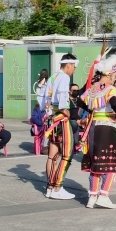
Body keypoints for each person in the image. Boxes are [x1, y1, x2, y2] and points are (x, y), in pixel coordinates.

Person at [79, 58, 116, 208]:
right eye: (115, 74)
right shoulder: (110, 89)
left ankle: (92, 197)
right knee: (110, 162)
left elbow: (79, 101)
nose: (115, 77)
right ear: (109, 74)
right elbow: (115, 104)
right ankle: (103, 195)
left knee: (96, 162)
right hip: (106, 128)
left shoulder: (93, 88)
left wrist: (91, 111)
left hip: (93, 128)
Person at [44, 54, 77, 199]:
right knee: (67, 154)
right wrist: (65, 110)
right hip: (61, 118)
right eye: (74, 67)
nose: (73, 70)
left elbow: (44, 96)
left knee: (52, 156)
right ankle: (57, 187)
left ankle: (50, 187)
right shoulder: (64, 77)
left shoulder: (52, 77)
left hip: (52, 118)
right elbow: (63, 94)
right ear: (68, 65)